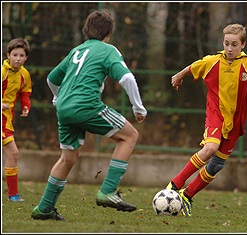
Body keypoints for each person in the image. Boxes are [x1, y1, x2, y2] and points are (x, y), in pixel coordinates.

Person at [31, 9, 147, 220]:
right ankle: (108, 191)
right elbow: (128, 79)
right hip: (86, 105)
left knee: (68, 158)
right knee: (129, 136)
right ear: (109, 33)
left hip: (64, 108)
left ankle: (44, 208)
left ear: (86, 30)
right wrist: (138, 108)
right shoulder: (108, 50)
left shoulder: (76, 50)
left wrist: (58, 99)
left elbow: (51, 78)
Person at [166, 23, 247, 216]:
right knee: (210, 149)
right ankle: (174, 185)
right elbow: (194, 66)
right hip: (216, 115)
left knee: (216, 165)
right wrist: (179, 76)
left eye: (234, 44)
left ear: (243, 45)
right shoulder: (213, 61)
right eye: (226, 44)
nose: (229, 49)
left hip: (236, 122)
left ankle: (187, 196)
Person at [2, 38, 32, 202]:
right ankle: (13, 194)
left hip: (7, 120)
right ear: (8, 55)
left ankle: (13, 194)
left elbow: (24, 92)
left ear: (26, 57)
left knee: (12, 154)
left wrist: (25, 106)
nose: (18, 58)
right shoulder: (3, 72)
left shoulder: (24, 74)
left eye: (21, 55)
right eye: (15, 55)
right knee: (13, 153)